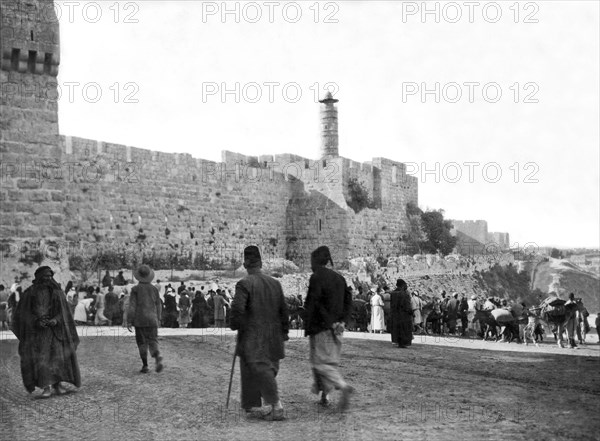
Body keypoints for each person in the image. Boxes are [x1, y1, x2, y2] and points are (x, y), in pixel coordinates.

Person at [230, 246, 289, 420]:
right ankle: (252, 405)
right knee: (258, 367)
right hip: (274, 336)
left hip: (254, 337)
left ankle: (276, 405)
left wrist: (236, 325)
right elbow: (284, 311)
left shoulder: (244, 284)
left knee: (261, 369)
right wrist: (284, 332)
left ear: (244, 264)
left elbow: (237, 310)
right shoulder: (275, 283)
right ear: (261, 263)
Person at [11, 266, 81, 397]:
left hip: (55, 332)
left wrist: (56, 320)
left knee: (57, 358)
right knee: (42, 360)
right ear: (38, 277)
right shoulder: (29, 293)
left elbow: (64, 312)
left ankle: (57, 384)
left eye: (50, 276)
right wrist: (36, 321)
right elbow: (23, 314)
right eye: (45, 276)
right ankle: (46, 387)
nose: (48, 279)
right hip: (38, 333)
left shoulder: (57, 292)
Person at [303, 246, 354, 410]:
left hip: (321, 327)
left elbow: (314, 303)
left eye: (311, 261)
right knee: (327, 361)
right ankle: (325, 396)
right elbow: (348, 301)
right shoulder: (340, 278)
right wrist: (342, 321)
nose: (310, 265)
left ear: (316, 261)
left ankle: (342, 386)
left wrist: (309, 320)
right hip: (338, 327)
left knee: (320, 363)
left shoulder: (316, 277)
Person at [127, 265, 164, 373]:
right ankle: (157, 355)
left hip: (140, 320)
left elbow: (132, 306)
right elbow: (159, 305)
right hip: (153, 319)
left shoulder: (135, 289)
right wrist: (159, 318)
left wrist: (129, 320)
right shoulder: (154, 289)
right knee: (153, 340)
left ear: (138, 276)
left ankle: (145, 365)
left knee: (142, 342)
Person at [390, 279, 413, 348]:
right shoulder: (404, 294)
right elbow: (407, 305)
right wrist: (411, 312)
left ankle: (397, 341)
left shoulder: (393, 293)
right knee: (404, 329)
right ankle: (403, 343)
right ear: (403, 285)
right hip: (404, 315)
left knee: (396, 329)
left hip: (395, 315)